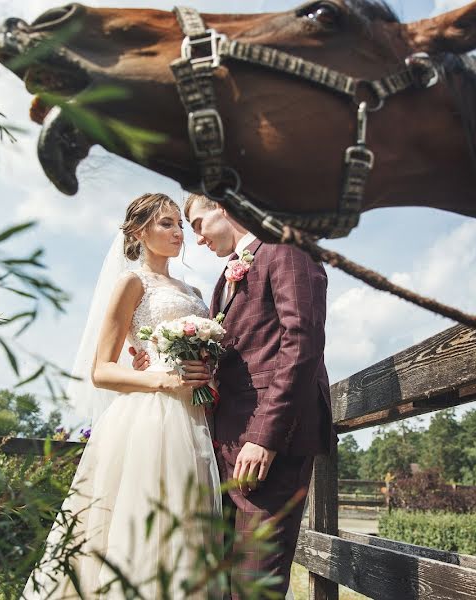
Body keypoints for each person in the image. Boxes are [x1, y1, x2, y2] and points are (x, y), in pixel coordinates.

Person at [133, 194, 334, 598]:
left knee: (254, 582)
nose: (197, 238)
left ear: (223, 206)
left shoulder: (286, 246)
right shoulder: (223, 280)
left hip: (271, 442)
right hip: (224, 441)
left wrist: (265, 437)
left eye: (197, 223)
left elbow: (301, 344)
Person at [22, 193, 219, 599]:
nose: (177, 232)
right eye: (166, 224)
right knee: (146, 518)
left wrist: (207, 374)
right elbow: (102, 370)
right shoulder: (132, 283)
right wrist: (165, 381)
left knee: (187, 525)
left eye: (179, 224)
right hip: (151, 416)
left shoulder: (195, 288)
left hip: (197, 417)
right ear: (138, 231)